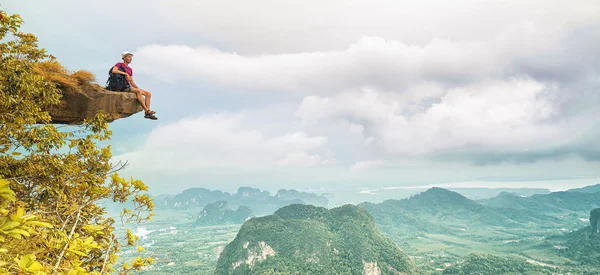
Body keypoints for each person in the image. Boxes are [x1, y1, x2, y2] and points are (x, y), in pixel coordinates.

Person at [111, 51, 157, 120]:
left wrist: (138, 88)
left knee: (148, 94)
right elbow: (114, 71)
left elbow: (131, 81)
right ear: (124, 58)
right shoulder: (119, 64)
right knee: (138, 91)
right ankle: (146, 110)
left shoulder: (130, 69)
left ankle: (147, 113)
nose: (131, 58)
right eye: (129, 57)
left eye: (131, 57)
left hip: (128, 86)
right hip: (122, 86)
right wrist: (125, 74)